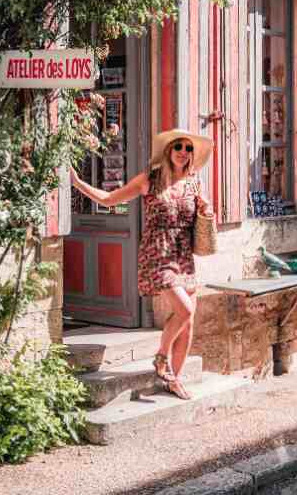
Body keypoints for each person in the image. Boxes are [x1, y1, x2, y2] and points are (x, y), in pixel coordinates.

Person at [70, 129, 213, 400]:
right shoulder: (150, 179)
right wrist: (78, 184)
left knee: (189, 320)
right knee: (183, 310)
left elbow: (202, 216)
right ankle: (161, 357)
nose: (183, 152)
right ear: (169, 151)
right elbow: (110, 199)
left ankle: (174, 379)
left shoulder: (194, 183)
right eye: (178, 147)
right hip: (156, 252)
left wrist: (206, 209)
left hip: (183, 254)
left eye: (188, 149)